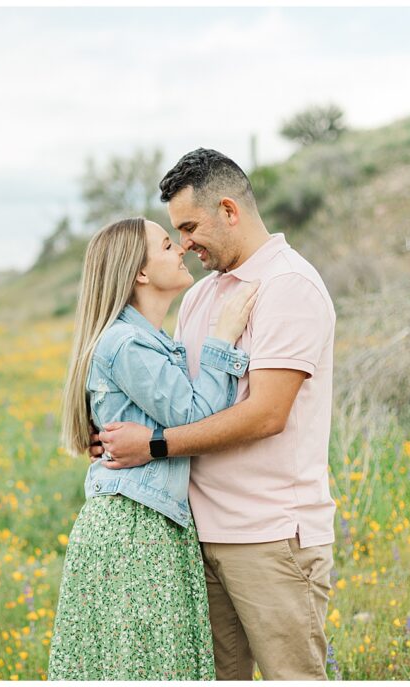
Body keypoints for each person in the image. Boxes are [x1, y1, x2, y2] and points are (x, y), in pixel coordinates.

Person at [90, 148, 337, 681]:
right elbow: (178, 401)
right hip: (197, 537)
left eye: (190, 226)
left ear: (229, 210)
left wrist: (153, 445)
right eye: (175, 233)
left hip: (269, 535)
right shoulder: (202, 296)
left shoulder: (287, 286)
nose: (184, 244)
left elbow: (266, 415)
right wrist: (113, 435)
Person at [48, 216, 259, 680]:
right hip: (133, 529)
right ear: (140, 272)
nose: (180, 248)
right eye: (167, 244)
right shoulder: (127, 345)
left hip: (148, 523)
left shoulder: (147, 341)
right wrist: (223, 338)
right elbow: (197, 418)